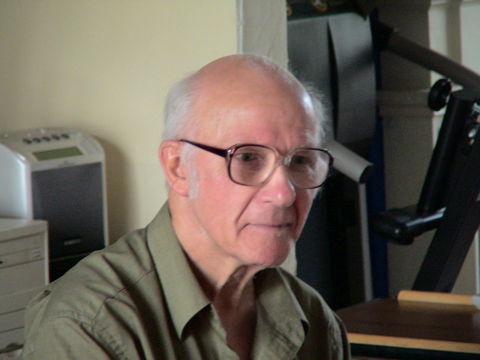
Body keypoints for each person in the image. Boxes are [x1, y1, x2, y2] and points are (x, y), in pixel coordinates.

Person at [22, 54, 350, 360]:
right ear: (178, 167)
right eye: (248, 158)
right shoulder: (89, 325)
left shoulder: (313, 317)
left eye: (301, 160)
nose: (284, 194)